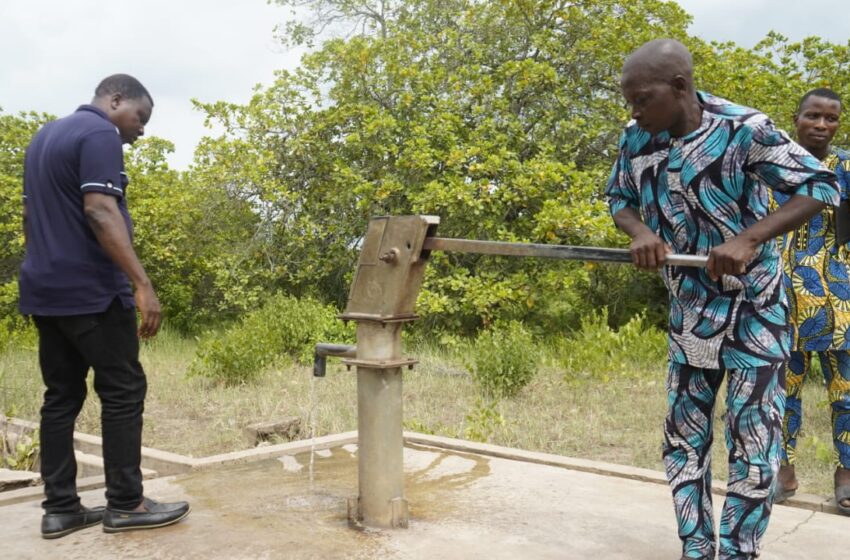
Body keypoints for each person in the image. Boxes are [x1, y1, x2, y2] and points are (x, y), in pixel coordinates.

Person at [605, 39, 839, 560]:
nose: (634, 111)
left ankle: (738, 553)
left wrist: (749, 238)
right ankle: (696, 549)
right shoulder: (637, 137)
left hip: (755, 311)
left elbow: (821, 187)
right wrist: (640, 231)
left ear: (680, 88)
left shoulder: (745, 129)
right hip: (689, 312)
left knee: (754, 441)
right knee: (684, 439)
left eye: (641, 99)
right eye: (630, 101)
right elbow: (619, 198)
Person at [20, 74, 190, 538]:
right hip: (92, 292)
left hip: (46, 292)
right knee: (122, 390)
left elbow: (30, 216)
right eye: (140, 117)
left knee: (61, 397)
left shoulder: (44, 136)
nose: (141, 129)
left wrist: (45, 269)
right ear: (115, 100)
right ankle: (126, 505)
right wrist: (142, 283)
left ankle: (61, 509)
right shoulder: (99, 133)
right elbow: (99, 209)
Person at [771, 87, 850, 515]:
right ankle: (782, 470)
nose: (821, 125)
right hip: (779, 293)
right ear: (796, 116)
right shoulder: (774, 163)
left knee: (848, 390)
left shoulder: (847, 167)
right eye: (813, 116)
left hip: (839, 295)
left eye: (831, 118)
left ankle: (847, 473)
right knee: (782, 390)